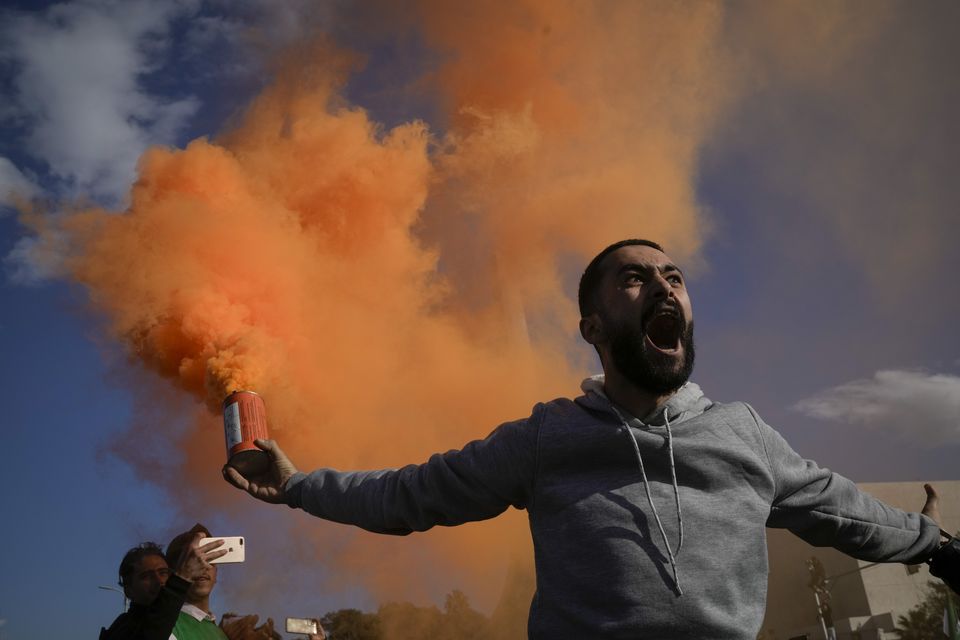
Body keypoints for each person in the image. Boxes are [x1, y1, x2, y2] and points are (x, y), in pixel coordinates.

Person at [223, 239, 956, 639]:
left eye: (674, 276)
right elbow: (414, 494)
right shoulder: (550, 437)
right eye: (635, 280)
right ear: (595, 328)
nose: (664, 287)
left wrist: (939, 547)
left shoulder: (744, 435)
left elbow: (845, 511)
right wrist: (297, 487)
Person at [100, 537, 226, 640]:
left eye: (163, 573)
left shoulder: (183, 621)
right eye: (146, 576)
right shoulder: (124, 629)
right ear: (128, 590)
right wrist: (182, 578)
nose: (159, 581)